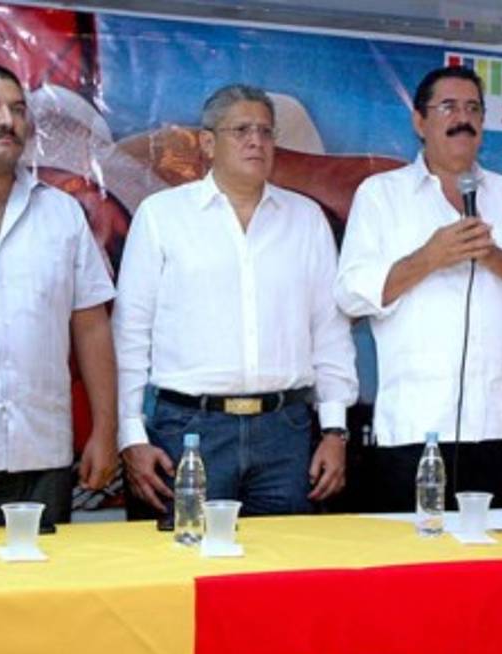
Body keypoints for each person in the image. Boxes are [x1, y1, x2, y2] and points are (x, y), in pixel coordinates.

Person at [113, 84, 357, 517]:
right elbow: (131, 331)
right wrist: (131, 435)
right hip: (189, 429)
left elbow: (329, 332)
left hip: (285, 431)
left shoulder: (306, 219)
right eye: (241, 130)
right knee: (187, 553)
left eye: (265, 131)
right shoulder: (162, 216)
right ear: (208, 143)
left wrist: (335, 430)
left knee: (283, 556)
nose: (255, 141)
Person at [334, 65, 502, 511]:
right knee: (418, 551)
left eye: (473, 108)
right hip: (415, 428)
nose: (463, 119)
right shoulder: (381, 195)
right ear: (420, 122)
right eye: (449, 107)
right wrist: (429, 258)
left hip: (501, 426)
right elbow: (350, 293)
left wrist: (496, 258)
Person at [0, 63, 116, 527]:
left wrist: (106, 430)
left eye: (16, 109)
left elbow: (91, 327)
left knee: (40, 575)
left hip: (41, 454)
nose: (6, 120)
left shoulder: (61, 213)